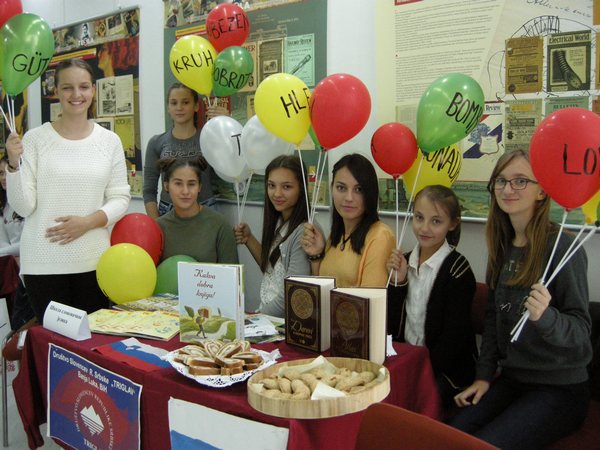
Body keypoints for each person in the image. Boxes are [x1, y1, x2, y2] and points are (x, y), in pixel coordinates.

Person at [450, 150, 592, 449]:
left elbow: (581, 333)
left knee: (486, 444)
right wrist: (483, 377)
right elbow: (493, 318)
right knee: (451, 432)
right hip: (513, 379)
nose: (507, 189)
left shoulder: (563, 248)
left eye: (520, 181)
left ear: (542, 191)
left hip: (560, 388)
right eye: (501, 181)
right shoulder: (502, 245)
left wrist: (546, 318)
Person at [5, 58, 131, 321]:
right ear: (56, 91)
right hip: (43, 263)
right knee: (54, 341)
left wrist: (86, 223)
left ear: (93, 90)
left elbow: (120, 197)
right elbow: (24, 206)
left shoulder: (109, 141)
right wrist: (14, 166)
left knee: (92, 339)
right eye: (67, 87)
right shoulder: (35, 139)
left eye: (83, 87)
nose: (76, 95)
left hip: (94, 261)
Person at [386, 185, 477, 408]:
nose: (424, 228)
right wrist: (398, 282)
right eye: (419, 217)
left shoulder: (458, 271)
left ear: (452, 223)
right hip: (407, 359)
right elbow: (392, 327)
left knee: (408, 403)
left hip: (445, 370)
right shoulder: (405, 261)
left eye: (436, 221)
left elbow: (453, 341)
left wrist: (417, 373)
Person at [302, 153, 395, 287]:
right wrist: (316, 255)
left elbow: (370, 298)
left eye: (358, 189)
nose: (349, 198)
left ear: (370, 193)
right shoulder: (337, 233)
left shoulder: (380, 236)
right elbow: (322, 288)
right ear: (332, 188)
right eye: (341, 188)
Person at [234, 155, 311, 317]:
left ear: (301, 188)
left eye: (286, 187)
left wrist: (255, 318)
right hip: (268, 318)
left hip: (282, 323)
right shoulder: (282, 220)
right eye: (271, 185)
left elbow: (290, 296)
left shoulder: (304, 233)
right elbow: (272, 271)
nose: (277, 193)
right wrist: (249, 239)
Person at [144, 83, 224, 219]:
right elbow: (149, 190)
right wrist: (156, 223)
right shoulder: (156, 142)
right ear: (168, 108)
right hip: (167, 212)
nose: (179, 108)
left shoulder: (209, 139)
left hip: (205, 210)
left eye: (185, 102)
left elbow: (233, 159)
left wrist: (226, 120)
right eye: (174, 103)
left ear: (196, 106)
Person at [156, 157, 238, 264]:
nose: (185, 191)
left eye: (191, 184)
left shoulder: (219, 225)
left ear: (199, 187)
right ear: (166, 186)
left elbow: (232, 271)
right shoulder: (158, 227)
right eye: (178, 183)